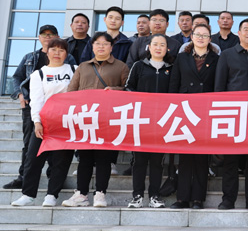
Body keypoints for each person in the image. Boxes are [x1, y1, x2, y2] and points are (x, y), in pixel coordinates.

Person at [6, 25, 77, 190]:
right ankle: (24, 177)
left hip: (62, 114)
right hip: (33, 106)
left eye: (51, 34)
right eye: (44, 34)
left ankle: (54, 178)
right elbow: (17, 77)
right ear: (39, 38)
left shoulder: (70, 63)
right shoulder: (30, 57)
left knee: (57, 148)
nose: (47, 36)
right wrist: (20, 94)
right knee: (30, 144)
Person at [63, 32, 129, 208]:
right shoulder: (83, 67)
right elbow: (71, 91)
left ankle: (100, 193)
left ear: (111, 47)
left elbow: (129, 90)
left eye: (105, 44)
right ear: (92, 47)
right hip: (85, 118)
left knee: (103, 158)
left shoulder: (121, 66)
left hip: (108, 119)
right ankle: (81, 194)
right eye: (97, 43)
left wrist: (115, 90)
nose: (101, 47)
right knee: (84, 158)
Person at [214, 18, 248, 211]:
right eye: (246, 30)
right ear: (239, 33)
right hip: (233, 115)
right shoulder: (227, 55)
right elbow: (219, 86)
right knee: (231, 161)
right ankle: (228, 199)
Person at [169, 23, 219, 209]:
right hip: (185, 110)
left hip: (205, 111)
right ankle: (182, 198)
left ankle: (198, 198)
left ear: (210, 39)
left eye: (205, 35)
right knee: (185, 156)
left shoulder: (216, 59)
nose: (201, 38)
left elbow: (218, 85)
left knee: (201, 157)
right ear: (191, 37)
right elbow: (174, 83)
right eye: (197, 34)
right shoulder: (182, 58)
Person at [125, 34, 173, 208]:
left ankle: (154, 196)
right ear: (149, 47)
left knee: (157, 161)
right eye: (155, 44)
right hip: (141, 120)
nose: (158, 47)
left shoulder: (171, 68)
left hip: (162, 121)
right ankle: (137, 196)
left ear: (167, 49)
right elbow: (128, 88)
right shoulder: (139, 66)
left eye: (162, 45)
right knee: (139, 160)